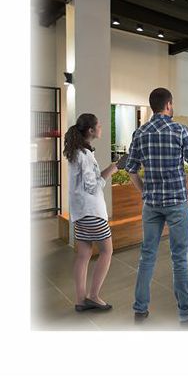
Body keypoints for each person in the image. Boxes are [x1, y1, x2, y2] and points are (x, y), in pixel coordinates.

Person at [125, 87, 188, 326]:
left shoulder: (140, 133)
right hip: (176, 203)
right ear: (168, 105)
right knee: (179, 259)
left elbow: (131, 169)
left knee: (147, 256)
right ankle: (186, 314)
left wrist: (144, 191)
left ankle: (140, 309)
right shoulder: (179, 130)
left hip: (151, 205)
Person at [64, 113, 118, 312]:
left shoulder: (77, 152)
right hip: (92, 213)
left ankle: (81, 300)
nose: (101, 128)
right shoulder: (85, 155)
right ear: (91, 130)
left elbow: (89, 182)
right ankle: (94, 296)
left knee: (84, 255)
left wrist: (112, 167)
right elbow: (92, 187)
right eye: (99, 125)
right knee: (106, 251)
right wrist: (111, 171)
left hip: (80, 213)